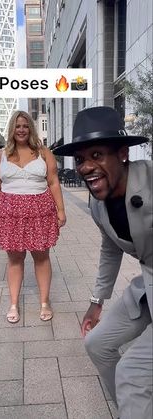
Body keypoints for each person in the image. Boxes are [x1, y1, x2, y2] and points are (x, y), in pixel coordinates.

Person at [53, 106, 152, 419]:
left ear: (122, 154)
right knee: (97, 344)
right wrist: (96, 302)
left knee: (132, 374)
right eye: (81, 159)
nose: (86, 167)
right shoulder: (99, 207)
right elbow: (111, 249)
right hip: (146, 290)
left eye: (97, 155)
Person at [0, 110, 66, 324]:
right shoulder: (0, 155)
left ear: (31, 129)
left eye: (25, 126)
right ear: (12, 129)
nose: (21, 129)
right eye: (18, 126)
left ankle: (45, 302)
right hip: (10, 214)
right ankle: (13, 303)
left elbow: (53, 182)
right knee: (15, 259)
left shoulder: (44, 152)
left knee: (41, 257)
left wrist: (61, 210)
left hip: (40, 212)